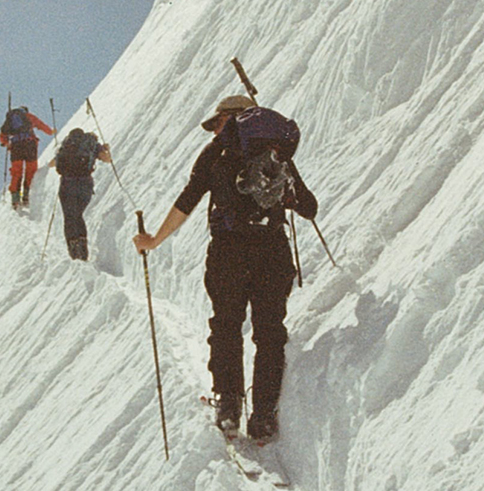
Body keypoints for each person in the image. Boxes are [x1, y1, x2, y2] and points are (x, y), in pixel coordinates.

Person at [132, 93, 317, 443]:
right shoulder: (276, 153)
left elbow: (188, 199)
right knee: (269, 331)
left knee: (227, 325)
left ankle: (229, 406)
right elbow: (309, 207)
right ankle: (263, 415)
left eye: (217, 123)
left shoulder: (216, 153)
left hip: (229, 252)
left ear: (229, 119)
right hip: (272, 250)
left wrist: (154, 240)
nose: (216, 131)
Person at [51, 128, 111, 260]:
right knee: (78, 214)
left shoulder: (66, 146)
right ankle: (82, 246)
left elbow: (54, 163)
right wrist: (106, 150)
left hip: (67, 183)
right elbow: (107, 159)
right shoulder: (91, 144)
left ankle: (73, 247)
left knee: (69, 216)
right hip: (85, 183)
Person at [0, 104, 54, 209]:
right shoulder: (28, 116)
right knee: (31, 170)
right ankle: (26, 195)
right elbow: (40, 124)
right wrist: (51, 132)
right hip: (29, 145)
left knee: (16, 171)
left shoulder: (9, 119)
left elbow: (2, 135)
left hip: (16, 147)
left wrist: (6, 143)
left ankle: (15, 198)